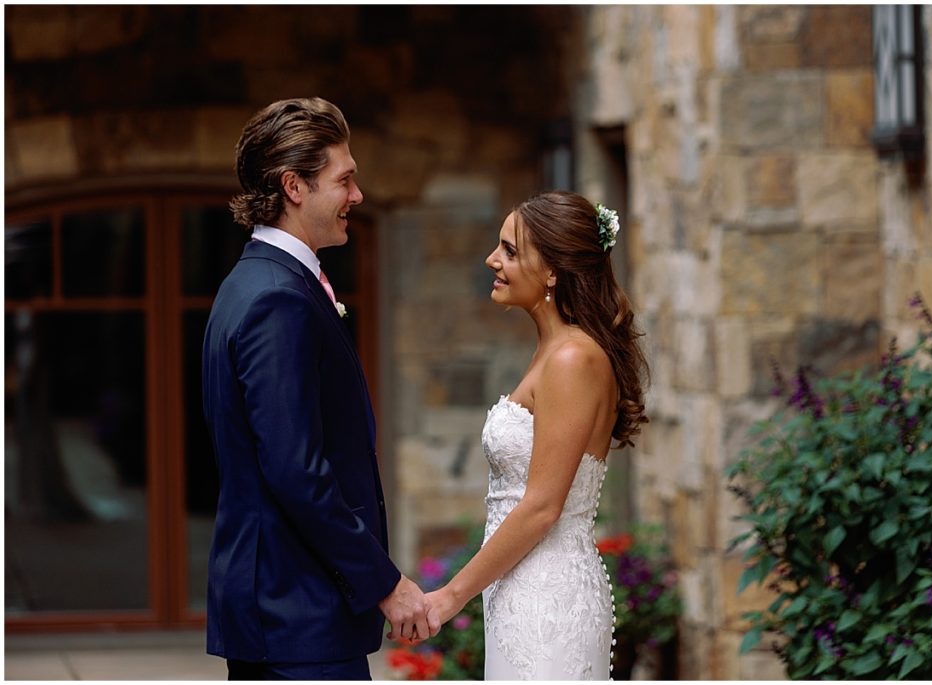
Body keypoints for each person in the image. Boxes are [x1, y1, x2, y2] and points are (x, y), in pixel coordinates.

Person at [202, 97, 438, 681]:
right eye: (345, 179)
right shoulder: (277, 300)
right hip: (295, 614)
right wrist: (384, 581)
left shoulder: (253, 282)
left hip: (285, 610)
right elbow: (295, 471)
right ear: (294, 187)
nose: (357, 196)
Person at [424, 191, 649, 679]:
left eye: (509, 250)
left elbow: (543, 506)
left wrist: (448, 598)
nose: (492, 259)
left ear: (552, 271)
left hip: (548, 601)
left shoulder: (573, 359)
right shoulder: (552, 352)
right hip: (520, 589)